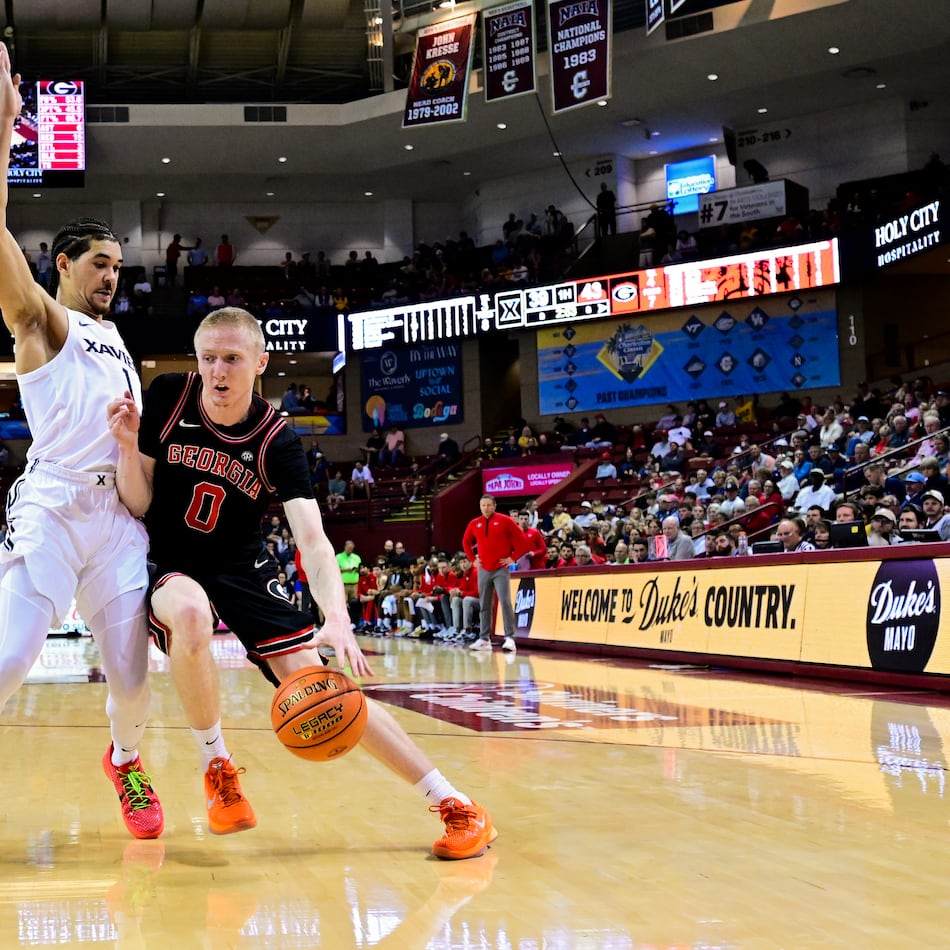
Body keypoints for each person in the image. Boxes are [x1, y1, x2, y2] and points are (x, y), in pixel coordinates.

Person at [107, 307, 496, 860]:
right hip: (169, 559)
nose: (218, 371)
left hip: (242, 566)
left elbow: (312, 541)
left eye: (233, 359)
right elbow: (138, 501)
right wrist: (126, 448)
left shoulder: (278, 442)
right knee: (190, 615)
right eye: (209, 358)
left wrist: (334, 614)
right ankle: (217, 767)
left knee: (326, 693)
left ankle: (455, 802)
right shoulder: (170, 394)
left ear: (260, 363)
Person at [0, 46, 163, 839]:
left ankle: (126, 763)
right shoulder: (44, 321)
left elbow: (133, 469)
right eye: (100, 263)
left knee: (133, 678)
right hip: (54, 508)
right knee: (6, 662)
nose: (111, 276)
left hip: (117, 523)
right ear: (62, 265)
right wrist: (3, 132)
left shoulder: (117, 341)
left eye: (118, 266)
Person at [462, 495, 531, 654]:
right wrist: (473, 559)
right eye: (483, 505)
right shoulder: (474, 523)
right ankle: (484, 638)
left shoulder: (506, 520)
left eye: (488, 505)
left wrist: (512, 558)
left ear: (494, 506)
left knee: (505, 601)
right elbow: (466, 541)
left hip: (500, 568)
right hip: (483, 568)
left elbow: (523, 541)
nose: (486, 508)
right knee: (484, 604)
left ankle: (510, 638)